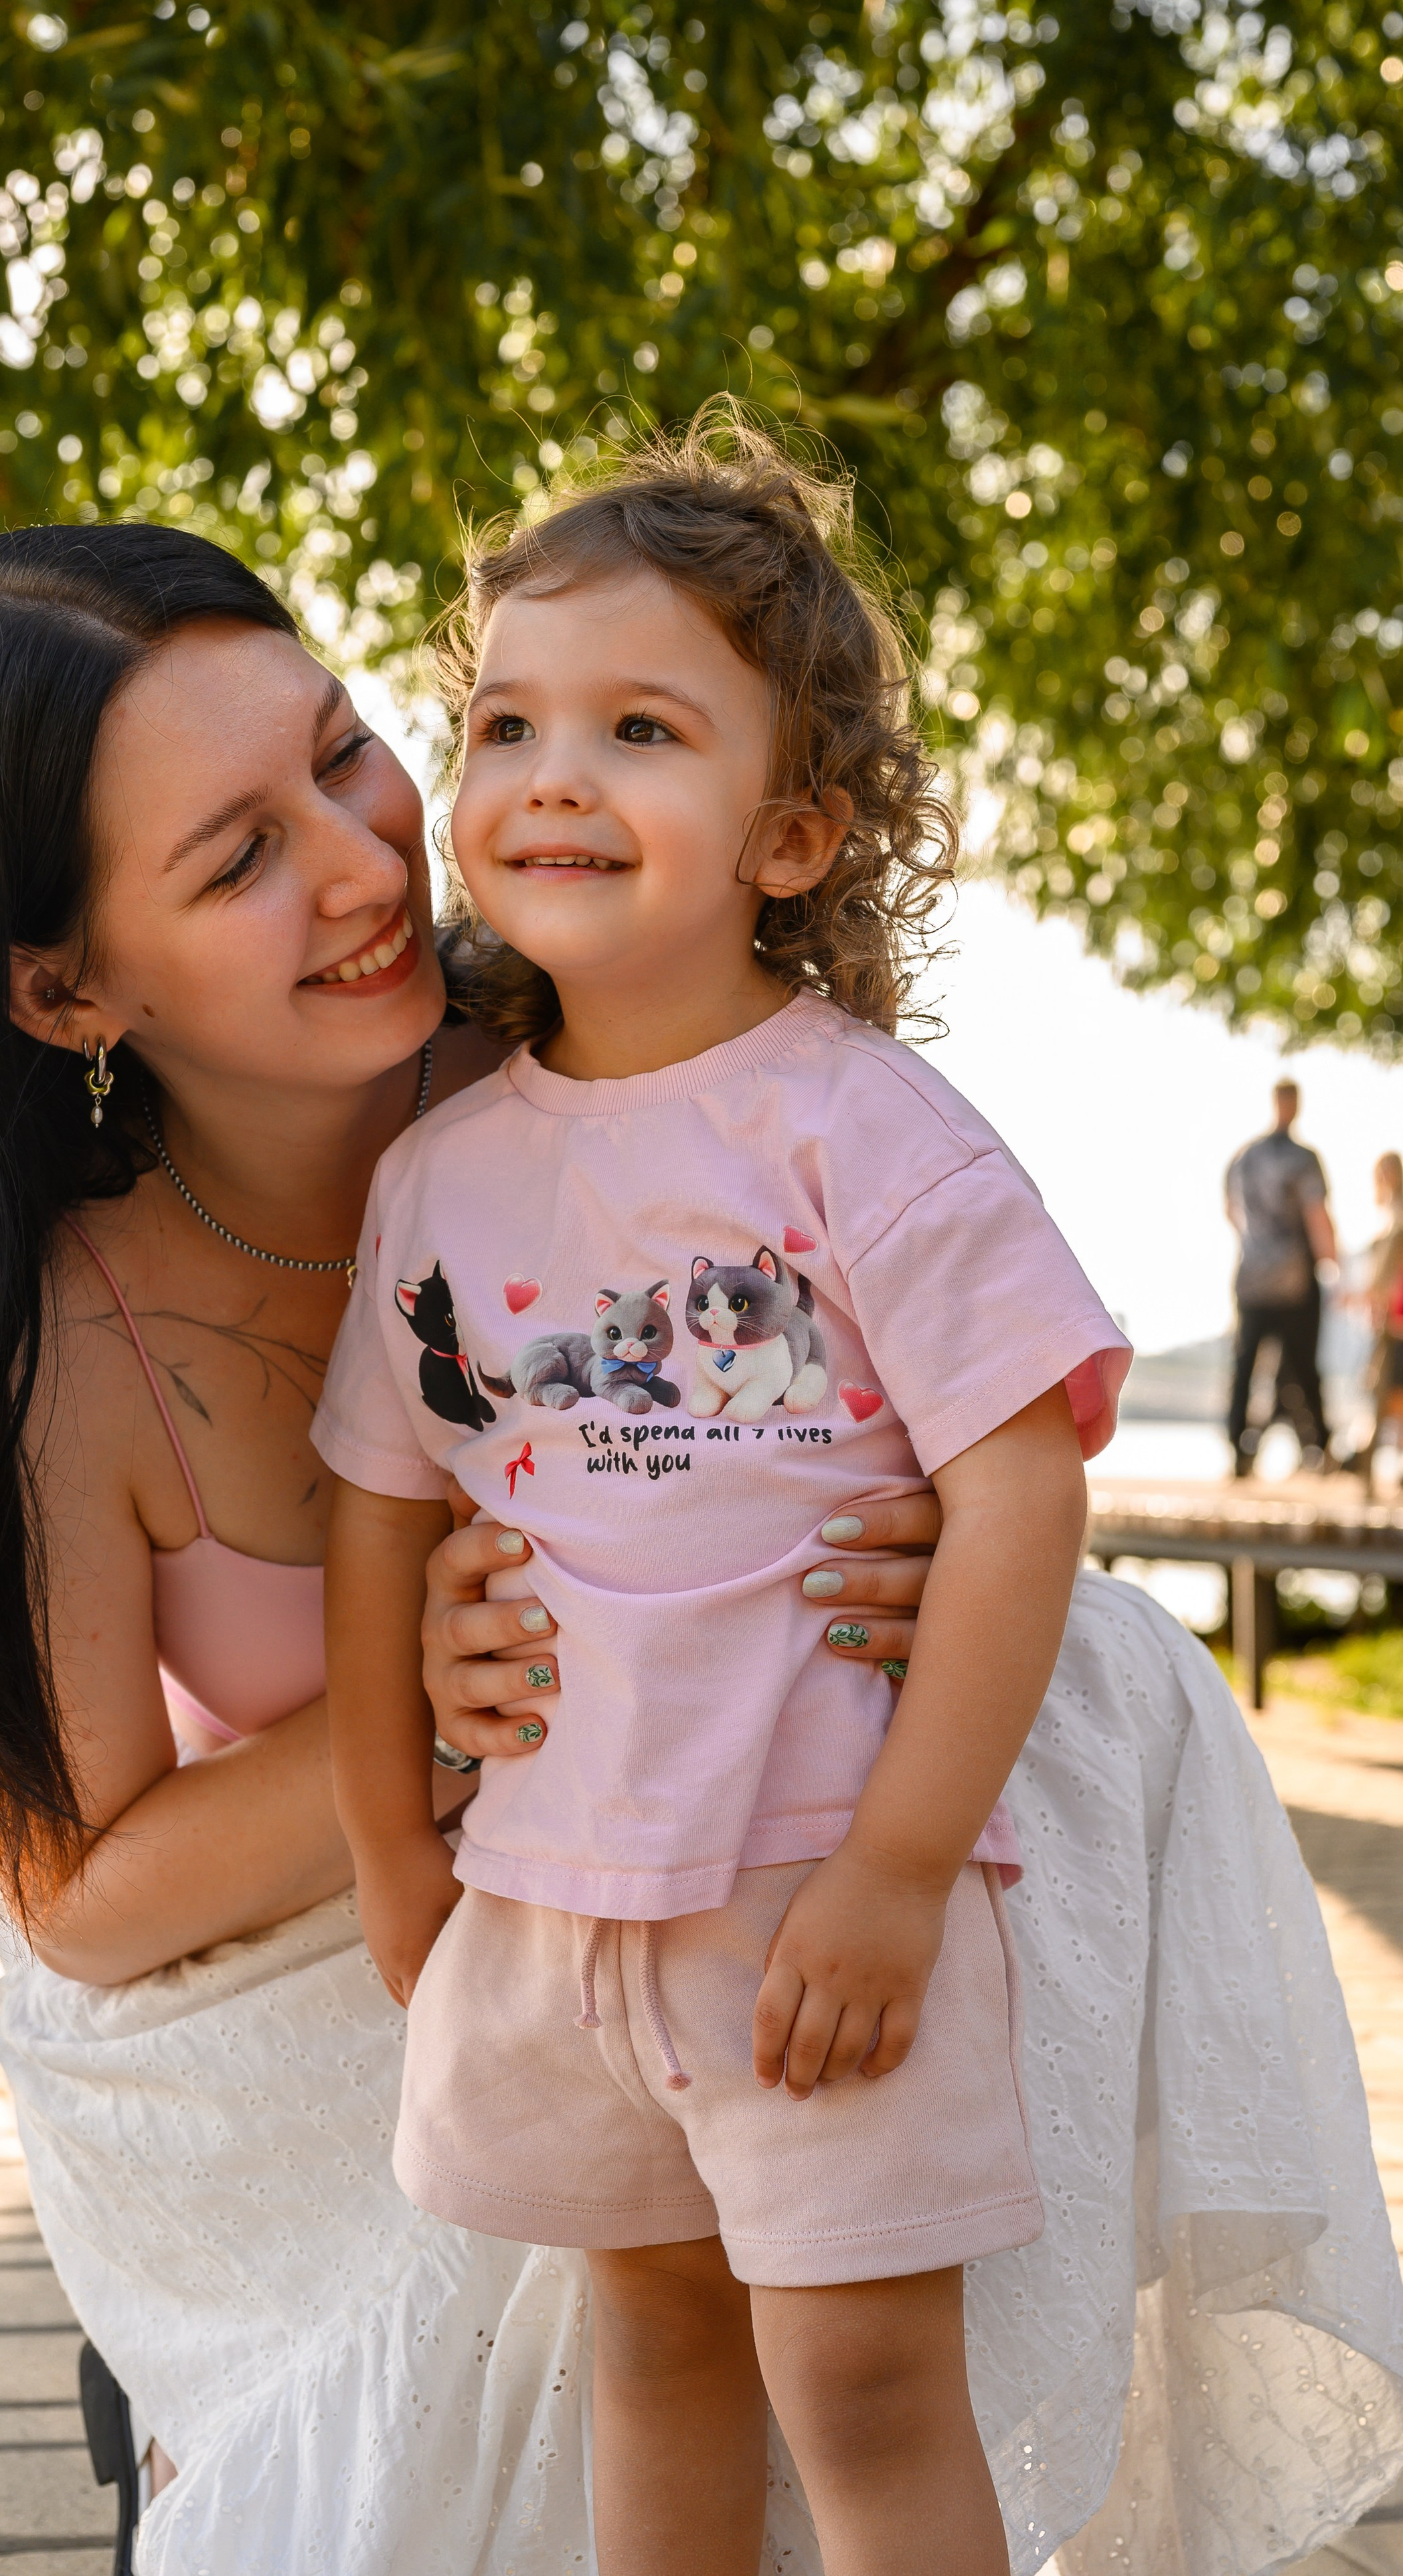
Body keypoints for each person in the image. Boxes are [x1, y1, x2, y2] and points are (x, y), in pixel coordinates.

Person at [0, 519, 938, 2575]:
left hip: (725, 2018)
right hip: (325, 2156)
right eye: (233, 858)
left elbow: (928, 1393)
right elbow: (77, 1894)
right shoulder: (63, 1352)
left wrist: (899, 1535)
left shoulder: (639, 1067)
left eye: (343, 752)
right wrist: (424, 1694)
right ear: (64, 987)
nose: (363, 862)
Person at [317, 420, 1403, 2576]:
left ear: (791, 829)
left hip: (815, 1898)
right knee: (651, 2347)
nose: (550, 771)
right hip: (543, 1895)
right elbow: (374, 1502)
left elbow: (1020, 1488)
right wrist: (389, 1852)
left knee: (866, 2382)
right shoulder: (436, 1169)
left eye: (640, 726)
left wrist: (904, 1865)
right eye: (504, 719)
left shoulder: (865, 1130)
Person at [1226, 1078, 1337, 1475]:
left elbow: (1228, 1208)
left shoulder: (1244, 1157)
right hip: (1294, 1280)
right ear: (1295, 1105)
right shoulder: (1303, 1159)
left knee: (1246, 1365)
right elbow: (1316, 1215)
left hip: (1252, 1275)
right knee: (1304, 1364)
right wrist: (1332, 1263)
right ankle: (1320, 1445)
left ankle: (1238, 1446)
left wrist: (1254, 1243)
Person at [1359, 1150, 1403, 1494]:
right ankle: (1369, 1475)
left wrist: (1375, 1298)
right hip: (1391, 1319)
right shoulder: (1389, 1215)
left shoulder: (1397, 1217)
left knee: (1383, 1394)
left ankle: (1368, 1477)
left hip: (1395, 1320)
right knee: (1387, 1395)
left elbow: (1385, 1273)